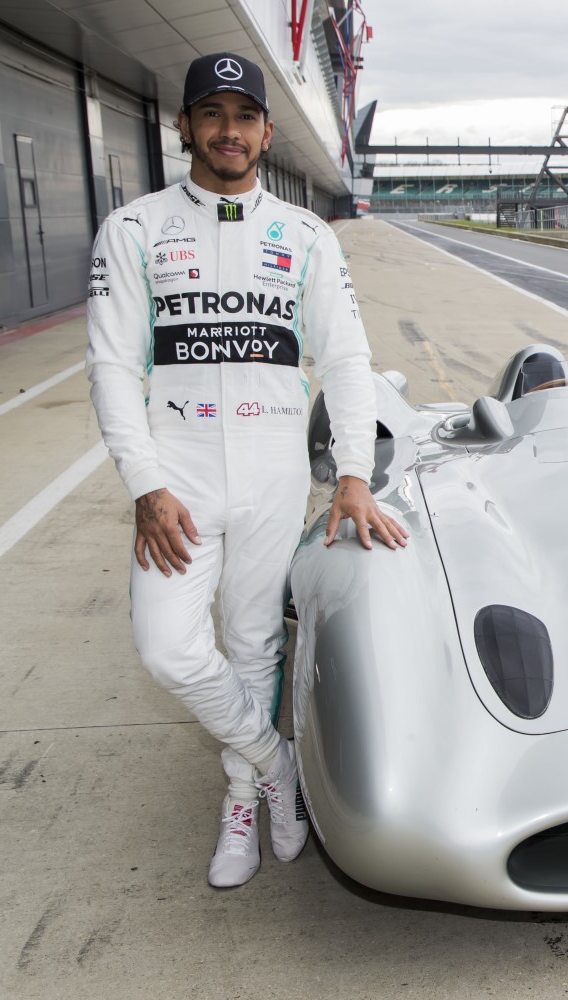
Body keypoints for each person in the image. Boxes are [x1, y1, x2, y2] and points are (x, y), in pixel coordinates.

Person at [85, 52, 407, 888]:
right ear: (184, 126)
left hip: (268, 471)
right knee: (167, 649)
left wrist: (352, 471)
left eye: (244, 116)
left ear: (266, 131)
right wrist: (144, 484)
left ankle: (242, 801)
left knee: (256, 644)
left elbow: (346, 359)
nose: (229, 130)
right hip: (177, 476)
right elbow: (113, 367)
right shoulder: (133, 229)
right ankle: (274, 765)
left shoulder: (305, 235)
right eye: (212, 114)